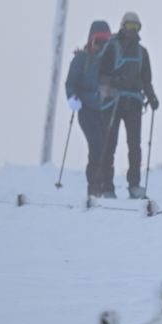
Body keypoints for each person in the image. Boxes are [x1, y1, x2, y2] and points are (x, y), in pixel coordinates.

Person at [98, 11, 159, 199]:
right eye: (130, 26)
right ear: (123, 26)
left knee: (135, 145)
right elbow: (101, 73)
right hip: (113, 102)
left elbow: (146, 79)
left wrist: (152, 96)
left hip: (133, 101)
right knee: (110, 144)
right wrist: (114, 81)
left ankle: (134, 184)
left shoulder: (142, 52)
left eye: (137, 27)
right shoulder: (112, 47)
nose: (133, 31)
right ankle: (106, 185)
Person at [64, 20, 111, 196]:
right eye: (98, 41)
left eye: (105, 41)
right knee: (96, 144)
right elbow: (71, 83)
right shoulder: (81, 59)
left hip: (103, 108)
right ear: (91, 40)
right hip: (86, 109)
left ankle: (104, 184)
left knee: (105, 146)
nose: (101, 46)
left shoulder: (107, 59)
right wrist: (73, 97)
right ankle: (94, 186)